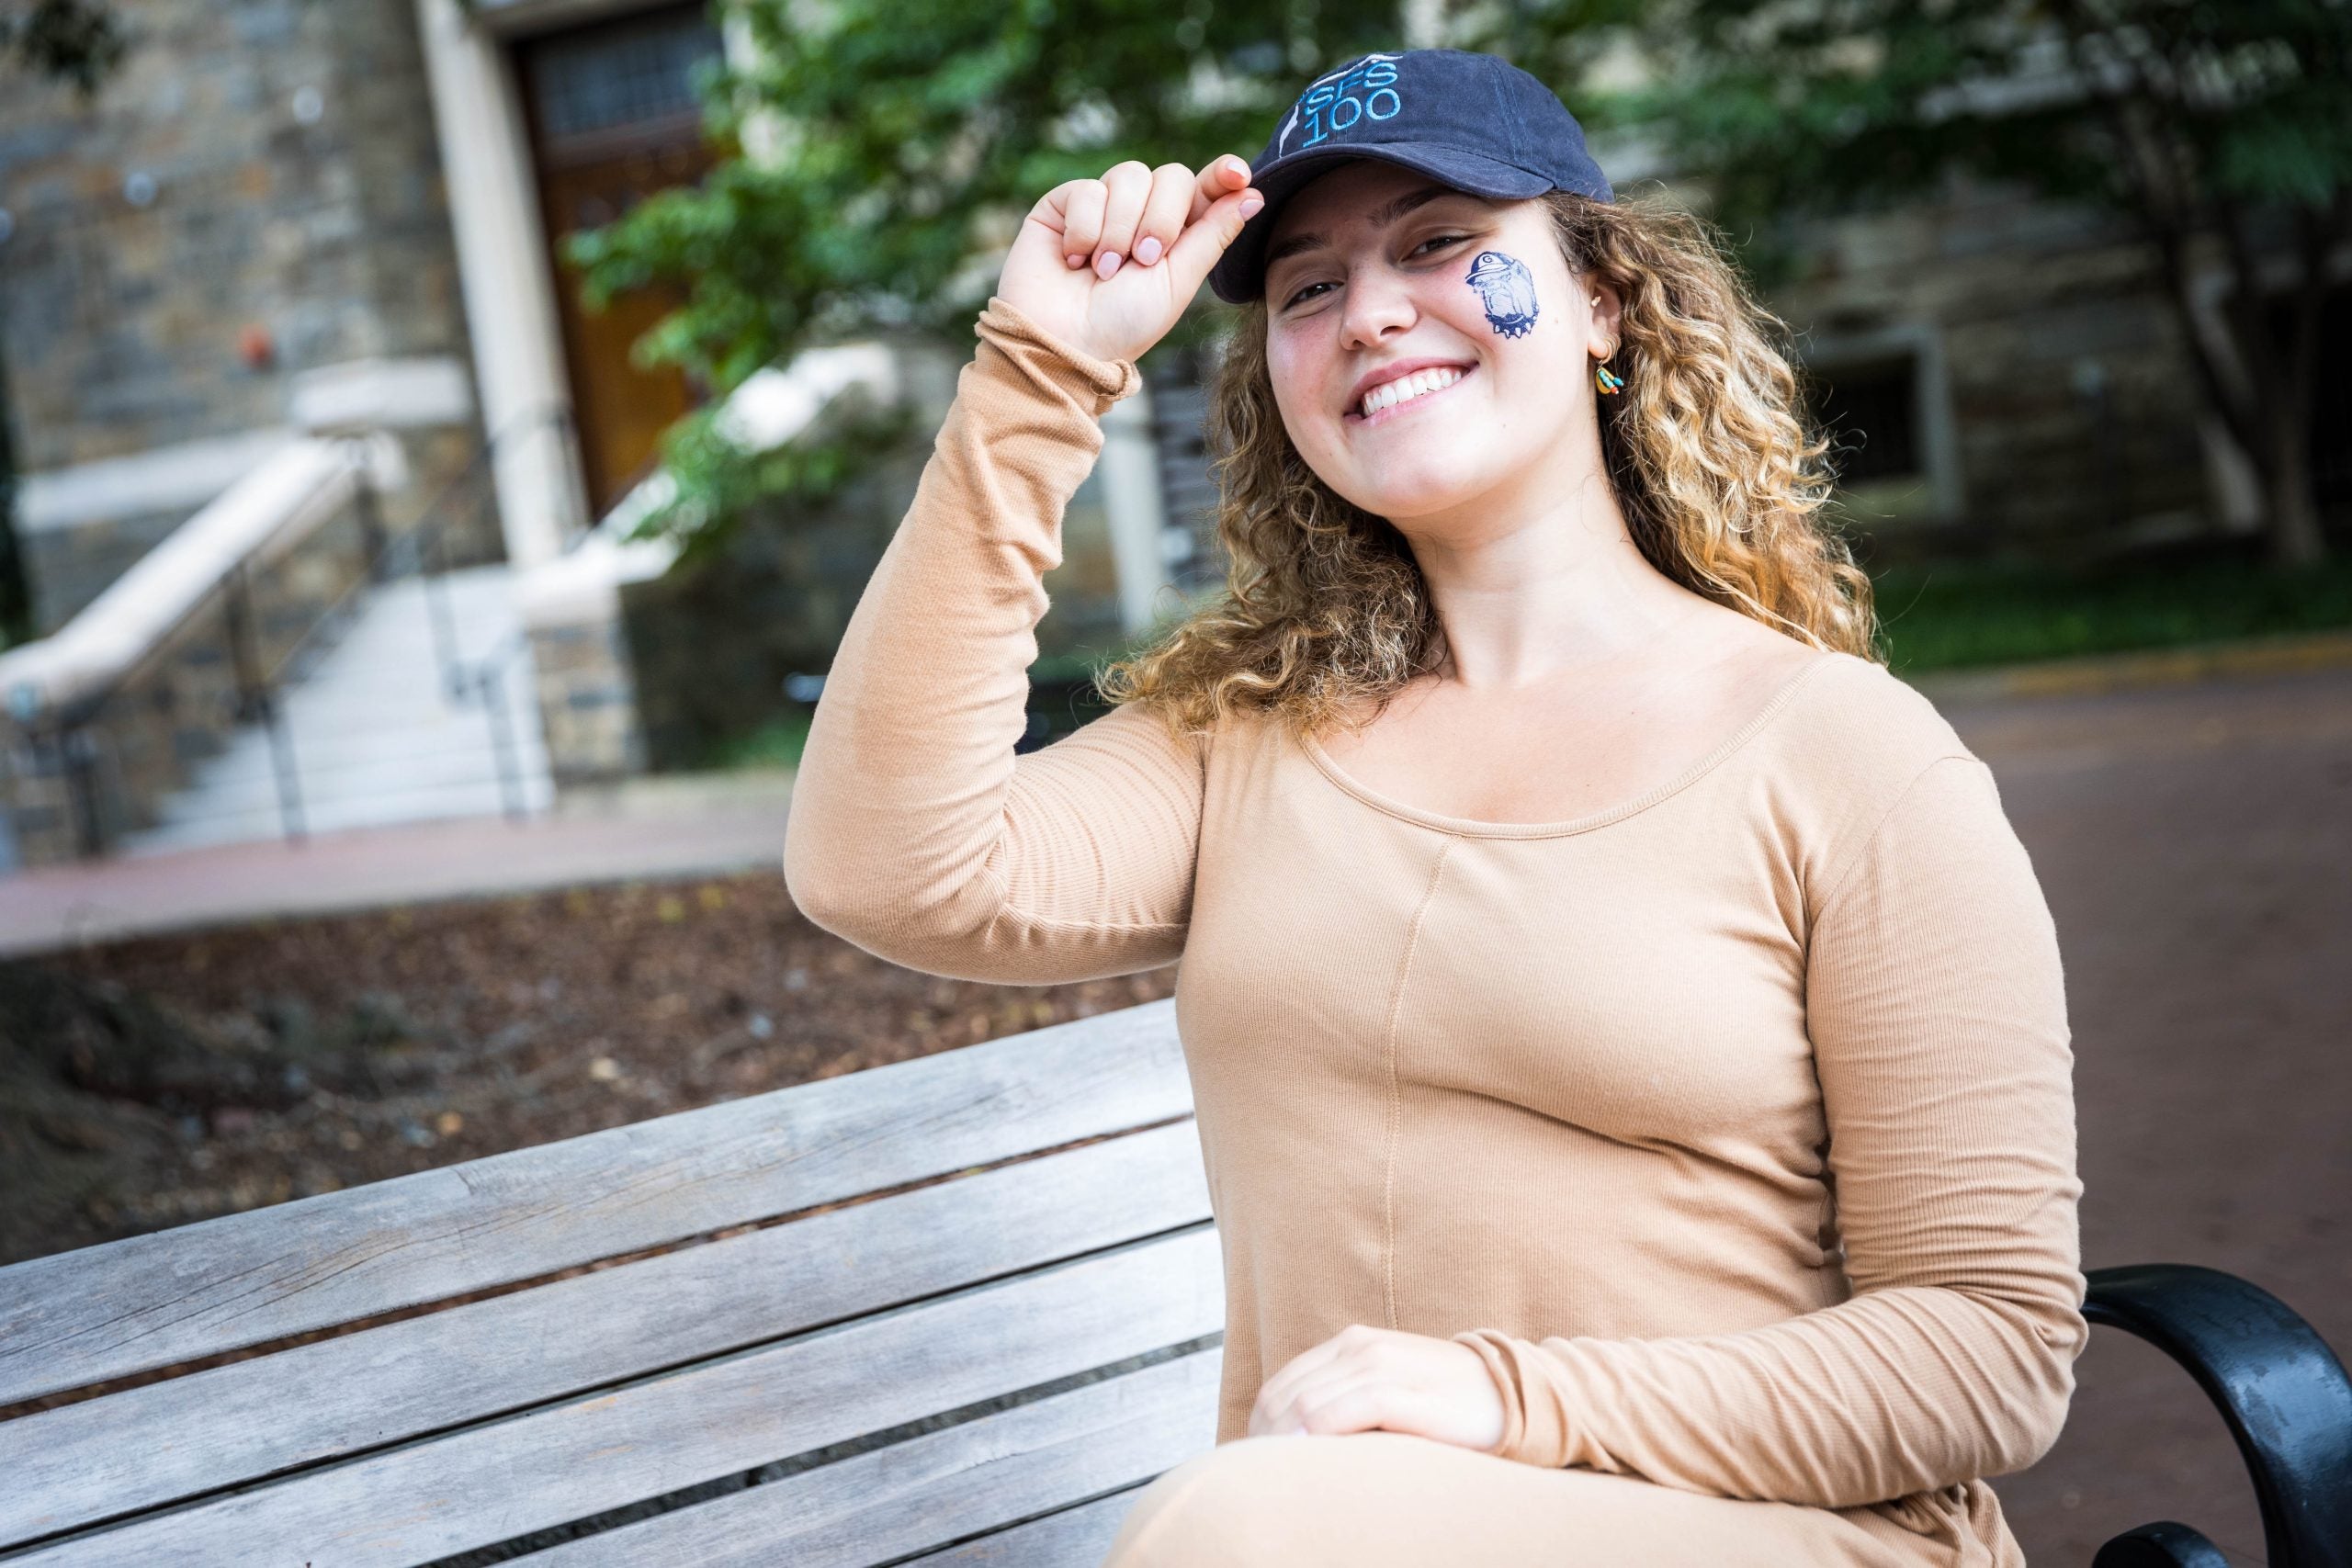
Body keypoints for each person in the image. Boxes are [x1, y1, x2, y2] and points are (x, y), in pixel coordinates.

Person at [782, 46, 2084, 1568]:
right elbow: (883, 867)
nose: (1373, 310)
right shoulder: (1242, 740)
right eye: (1307, 287)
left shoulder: (1849, 758)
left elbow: (1989, 1349)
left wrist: (1500, 1398)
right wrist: (1040, 374)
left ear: (1602, 298)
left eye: (1442, 242)